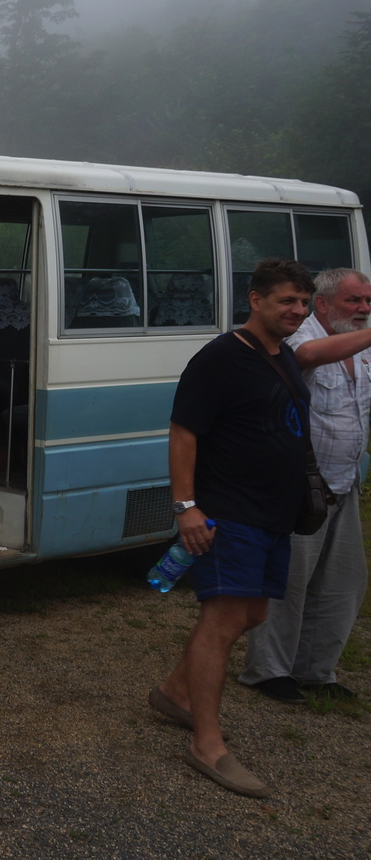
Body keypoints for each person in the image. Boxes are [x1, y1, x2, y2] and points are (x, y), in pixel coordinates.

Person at [151, 258, 316, 798]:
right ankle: (207, 744)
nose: (297, 310)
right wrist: (186, 507)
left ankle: (177, 691)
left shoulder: (285, 358)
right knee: (222, 620)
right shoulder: (220, 358)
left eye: (303, 302)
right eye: (286, 300)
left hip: (273, 515)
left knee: (254, 612)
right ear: (256, 300)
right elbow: (183, 434)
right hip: (229, 514)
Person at [240, 267, 371, 704]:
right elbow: (307, 357)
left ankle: (316, 671)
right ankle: (268, 672)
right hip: (302, 485)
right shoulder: (300, 335)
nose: (363, 310)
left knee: (343, 582)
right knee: (288, 581)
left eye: (368, 302)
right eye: (354, 301)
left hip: (346, 481)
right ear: (324, 303)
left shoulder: (360, 345)